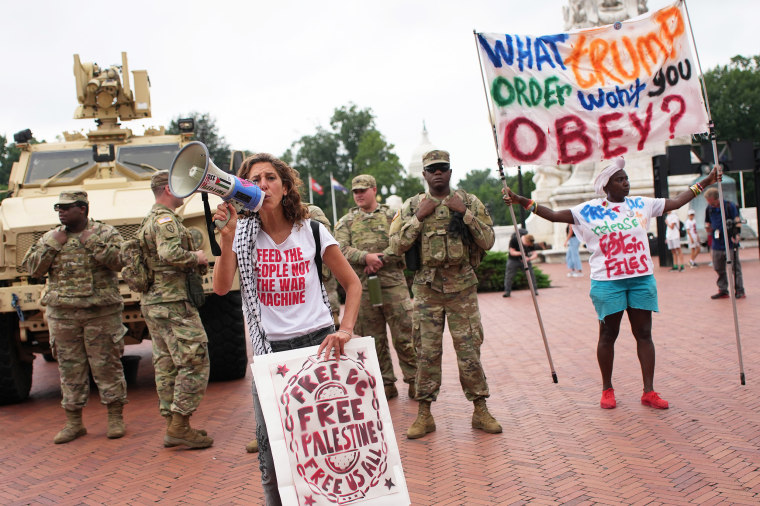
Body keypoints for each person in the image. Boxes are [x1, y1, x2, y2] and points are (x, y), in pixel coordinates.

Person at [503, 156, 719, 410]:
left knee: (644, 334)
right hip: (607, 282)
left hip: (640, 280)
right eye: (620, 180)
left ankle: (649, 391)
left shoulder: (642, 204)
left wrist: (706, 181)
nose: (626, 183)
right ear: (606, 186)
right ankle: (607, 389)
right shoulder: (589, 210)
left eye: (626, 179)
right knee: (608, 335)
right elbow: (552, 214)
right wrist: (521, 200)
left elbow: (677, 201)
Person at [212, 153, 361, 506]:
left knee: (331, 444)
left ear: (285, 185)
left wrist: (346, 329)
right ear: (244, 189)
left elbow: (352, 285)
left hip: (320, 346)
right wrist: (228, 237)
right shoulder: (242, 233)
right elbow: (220, 288)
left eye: (270, 178)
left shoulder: (310, 230)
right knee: (273, 453)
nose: (263, 185)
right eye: (254, 180)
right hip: (271, 354)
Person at [389, 149, 502, 439]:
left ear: (450, 172)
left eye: (443, 168)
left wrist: (464, 214)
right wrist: (418, 218)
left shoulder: (468, 202)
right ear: (424, 174)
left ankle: (480, 409)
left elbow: (488, 240)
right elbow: (397, 245)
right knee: (426, 353)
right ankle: (424, 414)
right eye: (432, 169)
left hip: (462, 288)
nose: (437, 173)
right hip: (427, 292)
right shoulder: (414, 205)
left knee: (469, 352)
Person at [23, 191, 127, 444]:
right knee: (70, 369)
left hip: (100, 313)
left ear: (82, 209)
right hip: (63, 315)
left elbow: (120, 261)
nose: (60, 211)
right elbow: (32, 269)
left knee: (107, 366)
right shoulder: (51, 237)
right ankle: (74, 423)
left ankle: (115, 418)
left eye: (66, 207)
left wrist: (93, 244)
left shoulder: (105, 233)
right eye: (58, 207)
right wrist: (51, 245)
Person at [141, 171, 213, 449]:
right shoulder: (166, 219)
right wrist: (195, 257)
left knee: (166, 362)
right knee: (194, 358)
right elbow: (169, 254)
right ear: (168, 190)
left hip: (154, 302)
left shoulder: (149, 219)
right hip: (172, 302)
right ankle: (180, 424)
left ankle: (173, 425)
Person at [335, 174, 417, 400]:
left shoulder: (392, 216)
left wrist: (380, 259)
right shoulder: (346, 222)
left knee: (405, 335)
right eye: (355, 191)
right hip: (363, 288)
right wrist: (365, 257)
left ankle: (414, 380)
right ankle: (385, 383)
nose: (359, 195)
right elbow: (339, 248)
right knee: (374, 339)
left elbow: (403, 241)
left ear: (374, 189)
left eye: (363, 190)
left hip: (393, 285)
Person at [704, 187, 745, 299]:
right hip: (717, 243)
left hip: (729, 242)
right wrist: (707, 228)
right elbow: (707, 222)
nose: (708, 202)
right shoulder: (709, 209)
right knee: (718, 267)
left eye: (709, 200)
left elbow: (737, 220)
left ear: (715, 199)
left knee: (734, 268)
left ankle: (739, 290)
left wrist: (736, 235)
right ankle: (723, 289)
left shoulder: (729, 206)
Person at [503, 231, 539, 297]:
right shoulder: (514, 240)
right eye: (527, 244)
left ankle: (534, 290)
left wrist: (529, 258)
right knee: (509, 276)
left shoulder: (531, 242)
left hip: (525, 261)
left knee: (531, 275)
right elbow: (512, 252)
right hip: (513, 260)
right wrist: (521, 253)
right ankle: (507, 292)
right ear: (525, 240)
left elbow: (535, 254)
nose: (528, 246)